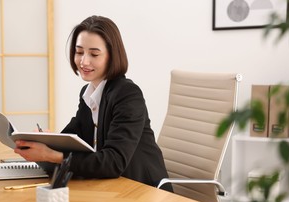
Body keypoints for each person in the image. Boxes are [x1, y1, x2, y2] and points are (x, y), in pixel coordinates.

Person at [14, 15, 171, 189]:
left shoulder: (128, 95)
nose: (84, 61)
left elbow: (113, 162)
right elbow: (72, 139)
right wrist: (43, 140)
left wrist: (52, 155)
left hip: (144, 191)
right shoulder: (88, 94)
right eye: (79, 52)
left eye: (94, 54)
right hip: (112, 188)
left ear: (112, 56)